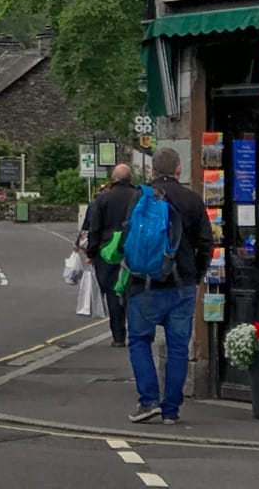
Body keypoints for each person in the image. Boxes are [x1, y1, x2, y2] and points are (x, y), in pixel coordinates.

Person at [125, 147, 212, 425]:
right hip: (182, 286)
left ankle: (148, 400)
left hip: (143, 284)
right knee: (177, 348)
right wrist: (195, 275)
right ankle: (171, 411)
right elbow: (206, 244)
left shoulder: (139, 197)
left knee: (139, 341)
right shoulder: (192, 200)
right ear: (178, 170)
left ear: (152, 172)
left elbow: (126, 239)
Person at [82, 163, 136, 346]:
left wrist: (91, 252)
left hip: (107, 253)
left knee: (113, 293)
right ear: (131, 179)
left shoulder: (103, 199)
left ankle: (119, 336)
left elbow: (94, 228)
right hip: (134, 249)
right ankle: (138, 332)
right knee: (135, 290)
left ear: (114, 179)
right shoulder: (140, 197)